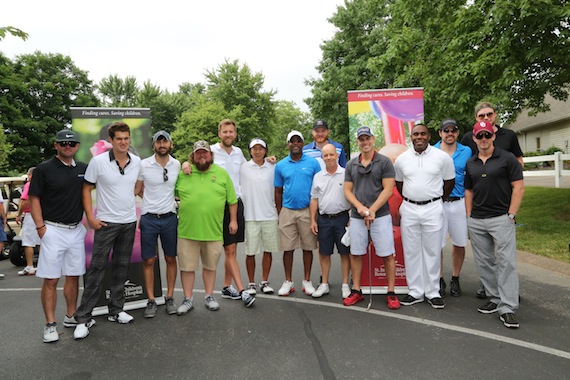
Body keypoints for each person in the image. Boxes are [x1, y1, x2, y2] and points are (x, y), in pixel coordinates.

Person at [73, 122, 141, 340]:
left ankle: (116, 310)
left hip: (129, 222)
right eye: (119, 138)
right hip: (106, 224)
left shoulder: (136, 161)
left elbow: (137, 185)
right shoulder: (98, 162)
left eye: (126, 138)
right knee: (96, 270)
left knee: (121, 268)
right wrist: (90, 218)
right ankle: (83, 318)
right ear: (110, 141)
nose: (123, 142)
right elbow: (85, 189)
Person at [176, 140, 254, 313]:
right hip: (187, 231)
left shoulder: (221, 173)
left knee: (210, 266)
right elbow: (170, 192)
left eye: (205, 152)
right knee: (187, 267)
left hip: (213, 231)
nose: (201, 155)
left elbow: (232, 200)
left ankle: (209, 296)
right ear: (193, 155)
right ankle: (188, 299)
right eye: (198, 153)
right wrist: (184, 164)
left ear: (210, 155)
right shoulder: (184, 173)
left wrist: (233, 220)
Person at [28, 130, 90, 343]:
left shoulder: (83, 169)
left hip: (76, 230)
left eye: (71, 143)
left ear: (77, 146)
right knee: (52, 279)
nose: (67, 146)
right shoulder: (44, 169)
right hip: (52, 230)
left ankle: (71, 316)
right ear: (56, 145)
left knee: (73, 276)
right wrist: (40, 228)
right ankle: (50, 324)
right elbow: (34, 199)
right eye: (63, 143)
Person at [461, 101, 524, 298]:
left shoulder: (508, 152)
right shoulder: (471, 162)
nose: (483, 138)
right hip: (478, 217)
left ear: (493, 135)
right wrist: (469, 216)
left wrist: (511, 213)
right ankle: (493, 295)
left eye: (487, 134)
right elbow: (468, 190)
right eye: (479, 135)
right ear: (474, 137)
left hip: (502, 214)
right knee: (485, 261)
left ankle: (508, 302)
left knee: (506, 262)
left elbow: (519, 185)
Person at [394, 123, 455, 309]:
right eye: (415, 134)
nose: (419, 137)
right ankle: (415, 291)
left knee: (432, 250)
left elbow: (449, 182)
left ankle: (432, 291)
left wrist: (434, 199)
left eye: (422, 134)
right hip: (410, 208)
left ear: (428, 136)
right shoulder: (402, 159)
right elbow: (399, 183)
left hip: (433, 208)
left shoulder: (442, 157)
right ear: (410, 137)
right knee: (411, 251)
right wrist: (413, 198)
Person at [343, 127, 400, 309]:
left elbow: (388, 189)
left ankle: (391, 292)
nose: (365, 142)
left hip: (380, 215)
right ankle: (357, 290)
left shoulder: (384, 162)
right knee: (356, 252)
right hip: (358, 216)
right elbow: (347, 190)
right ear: (358, 142)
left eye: (367, 138)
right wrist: (360, 207)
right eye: (361, 139)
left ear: (373, 139)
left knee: (387, 254)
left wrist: (372, 209)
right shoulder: (352, 164)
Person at [134, 131, 180, 318]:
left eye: (165, 141)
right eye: (158, 142)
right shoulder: (143, 164)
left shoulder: (176, 164)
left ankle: (169, 297)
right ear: (153, 145)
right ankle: (151, 300)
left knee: (170, 258)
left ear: (170, 144)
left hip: (169, 218)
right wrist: (148, 200)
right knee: (149, 260)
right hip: (149, 218)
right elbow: (136, 189)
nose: (162, 145)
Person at [274, 130, 321, 296]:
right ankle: (288, 281)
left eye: (298, 141)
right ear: (288, 144)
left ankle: (307, 281)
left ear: (302, 143)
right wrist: (280, 212)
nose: (295, 144)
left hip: (307, 210)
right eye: (292, 141)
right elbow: (278, 191)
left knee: (308, 247)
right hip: (287, 210)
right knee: (288, 249)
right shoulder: (280, 165)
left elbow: (318, 187)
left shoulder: (313, 163)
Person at [434, 119, 473, 297]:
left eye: (453, 131)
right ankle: (439, 278)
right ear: (440, 133)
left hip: (458, 202)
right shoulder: (432, 151)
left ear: (457, 133)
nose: (450, 134)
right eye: (446, 130)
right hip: (438, 202)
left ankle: (455, 278)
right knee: (437, 243)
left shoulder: (467, 151)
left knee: (459, 242)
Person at [309, 144, 351, 299]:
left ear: (337, 155)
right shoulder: (318, 177)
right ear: (322, 157)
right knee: (324, 253)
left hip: (342, 218)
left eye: (331, 155)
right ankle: (324, 284)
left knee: (345, 253)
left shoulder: (346, 174)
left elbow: (352, 196)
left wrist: (352, 218)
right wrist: (313, 220)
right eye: (325, 155)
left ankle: (345, 284)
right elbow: (314, 199)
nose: (329, 158)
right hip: (324, 219)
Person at [240, 138, 279, 295]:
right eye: (254, 148)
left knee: (268, 251)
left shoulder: (273, 167)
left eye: (260, 148)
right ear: (249, 151)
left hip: (269, 214)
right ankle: (251, 284)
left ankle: (264, 281)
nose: (257, 151)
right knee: (250, 252)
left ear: (265, 150)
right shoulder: (243, 167)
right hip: (250, 215)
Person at [16, 167, 40, 276]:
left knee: (28, 242)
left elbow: (25, 200)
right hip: (43, 214)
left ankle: (30, 266)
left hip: (31, 215)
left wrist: (19, 214)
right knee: (41, 241)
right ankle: (43, 265)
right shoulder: (44, 185)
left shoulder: (29, 185)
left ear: (30, 175)